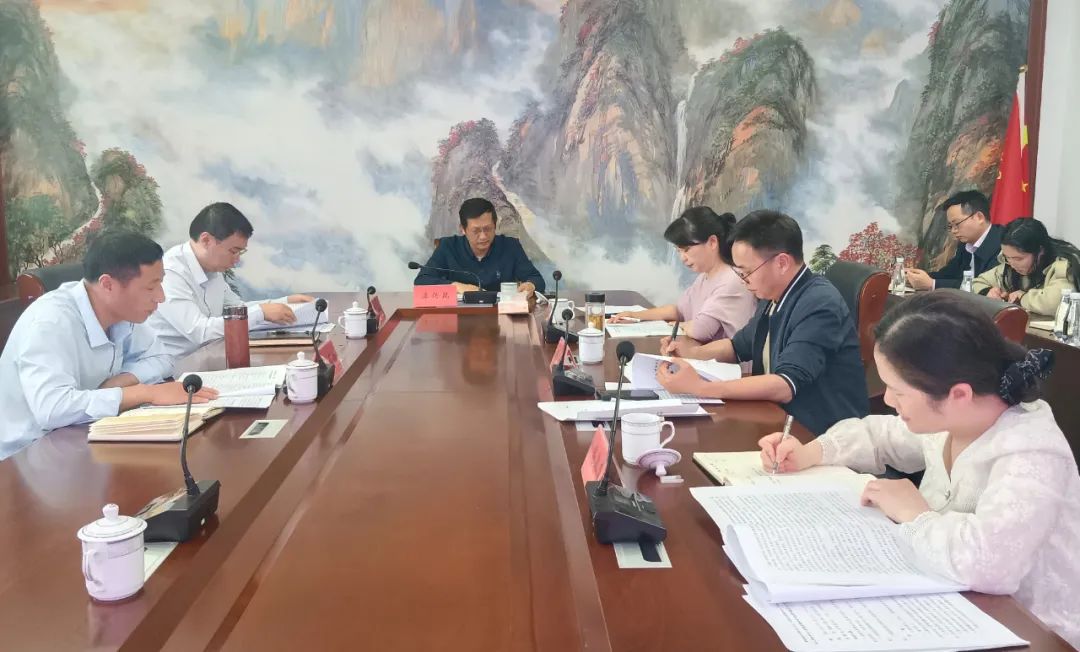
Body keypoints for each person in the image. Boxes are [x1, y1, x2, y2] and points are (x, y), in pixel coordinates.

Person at [759, 291, 1079, 648]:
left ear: (958, 394)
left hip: (1030, 631)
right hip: (947, 601)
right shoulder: (958, 415)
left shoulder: (1032, 451)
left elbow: (989, 564)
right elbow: (880, 435)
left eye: (898, 391)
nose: (888, 400)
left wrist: (915, 514)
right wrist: (811, 452)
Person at [0, 230, 219, 461]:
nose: (161, 297)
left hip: (83, 434)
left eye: (160, 284)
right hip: (28, 457)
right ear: (107, 284)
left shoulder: (121, 311)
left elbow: (162, 357)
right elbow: (53, 409)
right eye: (150, 287)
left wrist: (120, 382)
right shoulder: (51, 322)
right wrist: (145, 393)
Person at [656, 210, 869, 435]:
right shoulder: (773, 295)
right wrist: (692, 354)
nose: (743, 281)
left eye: (747, 272)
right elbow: (738, 346)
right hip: (777, 419)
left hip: (819, 433)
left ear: (782, 263)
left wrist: (700, 388)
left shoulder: (819, 304)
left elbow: (784, 385)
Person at [147, 202, 315, 358]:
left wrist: (284, 302)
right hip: (176, 368)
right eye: (234, 251)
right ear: (206, 240)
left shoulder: (212, 268)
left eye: (240, 252)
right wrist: (261, 312)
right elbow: (199, 331)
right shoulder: (170, 272)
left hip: (210, 356)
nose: (237, 260)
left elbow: (237, 309)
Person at [609, 207, 756, 342]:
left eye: (686, 249)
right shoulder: (705, 277)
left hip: (727, 362)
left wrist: (679, 325)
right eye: (678, 251)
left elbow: (700, 330)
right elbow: (678, 310)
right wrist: (634, 316)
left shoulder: (732, 280)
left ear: (712, 242)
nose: (682, 258)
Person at [414, 198, 545, 294]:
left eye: (488, 229)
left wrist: (530, 285)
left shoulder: (510, 246)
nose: (483, 236)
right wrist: (457, 286)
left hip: (500, 315)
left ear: (495, 225)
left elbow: (536, 279)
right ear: (463, 229)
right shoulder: (448, 247)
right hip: (459, 317)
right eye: (476, 231)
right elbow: (421, 281)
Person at [971, 217, 1080, 315]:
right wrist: (988, 291)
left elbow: (1054, 303)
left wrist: (1022, 297)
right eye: (1007, 257)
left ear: (1040, 251)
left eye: (1018, 259)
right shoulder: (1009, 263)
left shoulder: (1064, 264)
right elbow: (978, 282)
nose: (1012, 264)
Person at [906, 190, 1002, 290]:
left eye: (957, 224)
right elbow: (949, 274)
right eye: (950, 226)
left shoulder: (1001, 244)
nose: (953, 231)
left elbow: (981, 285)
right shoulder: (965, 244)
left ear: (979, 217)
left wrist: (932, 284)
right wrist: (916, 277)